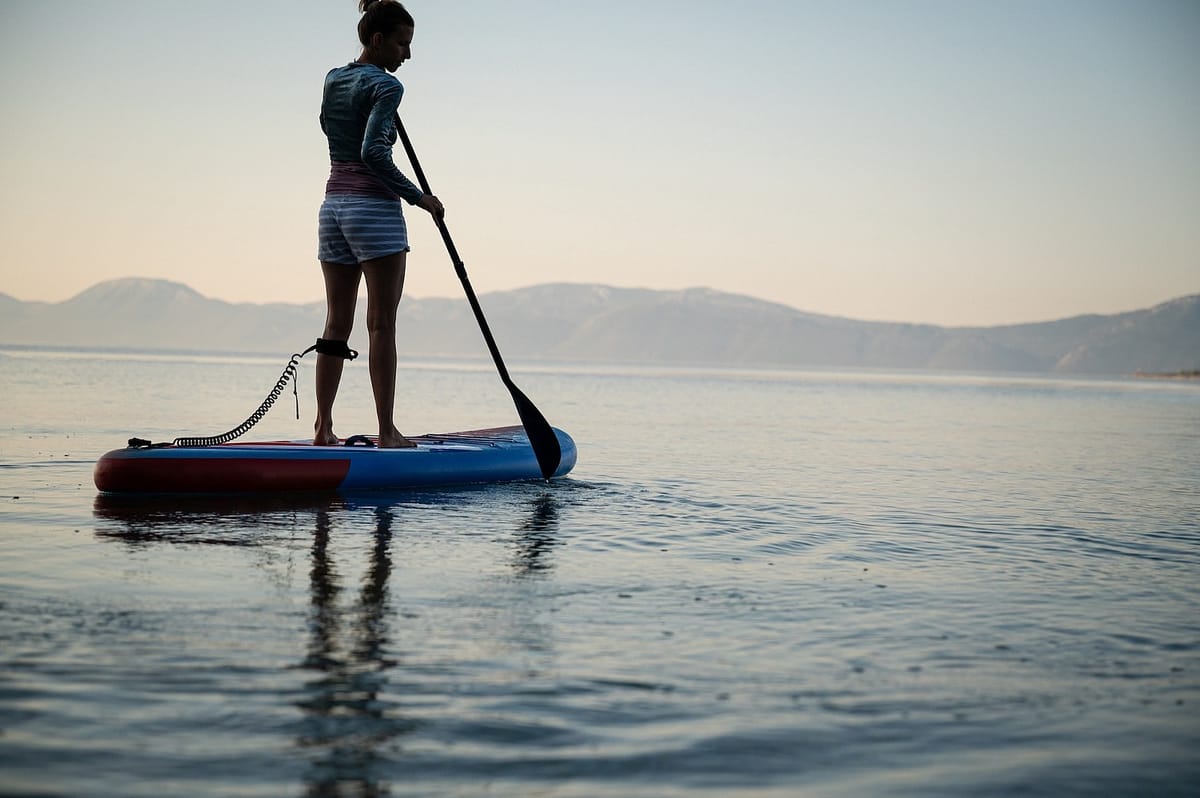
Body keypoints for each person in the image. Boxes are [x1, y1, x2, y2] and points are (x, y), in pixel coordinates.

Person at [314, 0, 443, 448]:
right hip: (373, 210)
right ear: (377, 39)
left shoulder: (334, 78)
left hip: (333, 208)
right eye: (402, 44)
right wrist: (419, 197)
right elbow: (372, 153)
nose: (407, 54)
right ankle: (387, 431)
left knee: (336, 323)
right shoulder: (387, 86)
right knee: (381, 324)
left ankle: (323, 429)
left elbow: (327, 125)